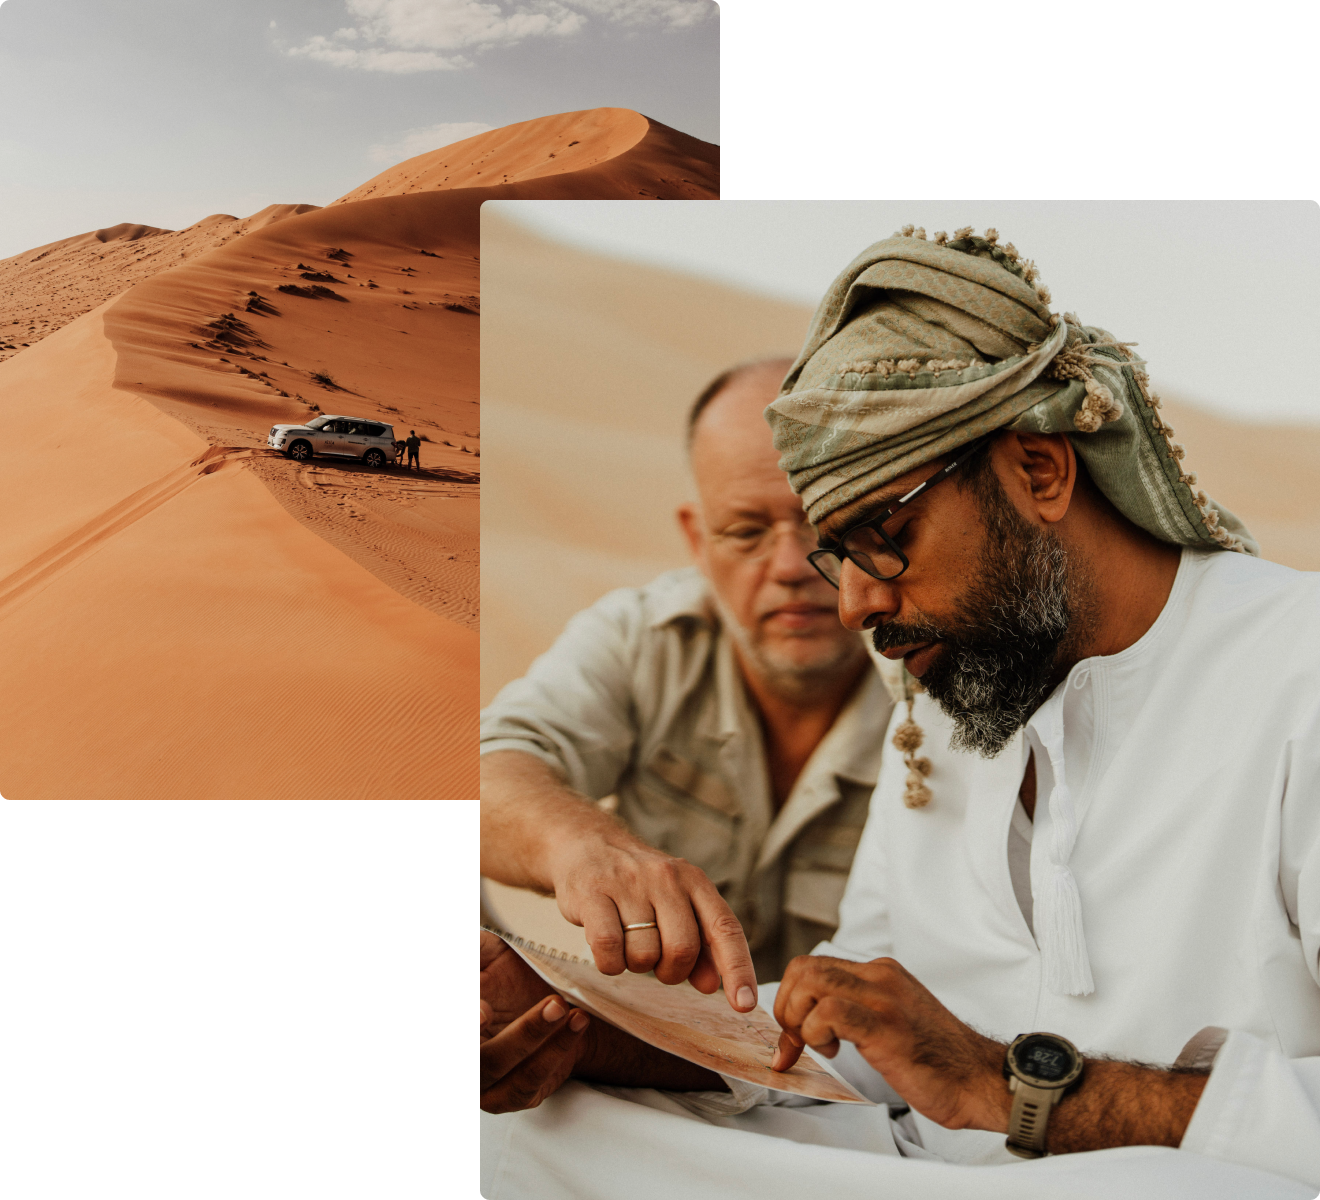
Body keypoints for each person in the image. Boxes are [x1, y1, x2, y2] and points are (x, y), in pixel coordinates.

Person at [480, 227, 1319, 1198]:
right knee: (522, 1133)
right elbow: (859, 1056)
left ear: (1040, 471)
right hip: (912, 1170)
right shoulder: (952, 695)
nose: (853, 607)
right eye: (837, 558)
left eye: (884, 537)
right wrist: (589, 1032)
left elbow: (958, 1079)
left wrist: (1011, 1091)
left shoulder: (1297, 669)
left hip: (1163, 1177)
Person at [481, 358, 893, 1007]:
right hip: (647, 1061)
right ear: (697, 540)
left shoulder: (938, 688)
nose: (790, 566)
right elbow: (487, 771)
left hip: (862, 1090)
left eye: (823, 525)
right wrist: (582, 847)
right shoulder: (642, 638)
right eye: (746, 532)